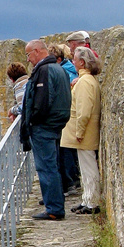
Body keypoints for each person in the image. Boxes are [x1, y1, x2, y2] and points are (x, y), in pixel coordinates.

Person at [20, 38, 72, 220]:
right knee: (53, 165)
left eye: (28, 54)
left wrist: (32, 121)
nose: (28, 59)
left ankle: (54, 209)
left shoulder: (44, 70)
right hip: (56, 124)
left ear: (37, 51)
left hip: (44, 127)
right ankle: (54, 205)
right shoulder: (60, 69)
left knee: (46, 167)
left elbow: (42, 101)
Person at [61, 47, 102, 215]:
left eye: (75, 60)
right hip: (85, 133)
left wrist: (79, 131)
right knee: (85, 168)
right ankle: (87, 199)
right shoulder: (85, 80)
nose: (72, 62)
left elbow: (84, 110)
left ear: (82, 62)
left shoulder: (85, 82)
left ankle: (92, 202)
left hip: (85, 134)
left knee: (88, 167)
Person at [49, 43, 81, 195]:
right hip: (67, 116)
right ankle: (70, 182)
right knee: (65, 151)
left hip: (66, 117)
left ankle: (70, 182)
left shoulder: (65, 72)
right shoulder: (68, 70)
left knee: (66, 151)